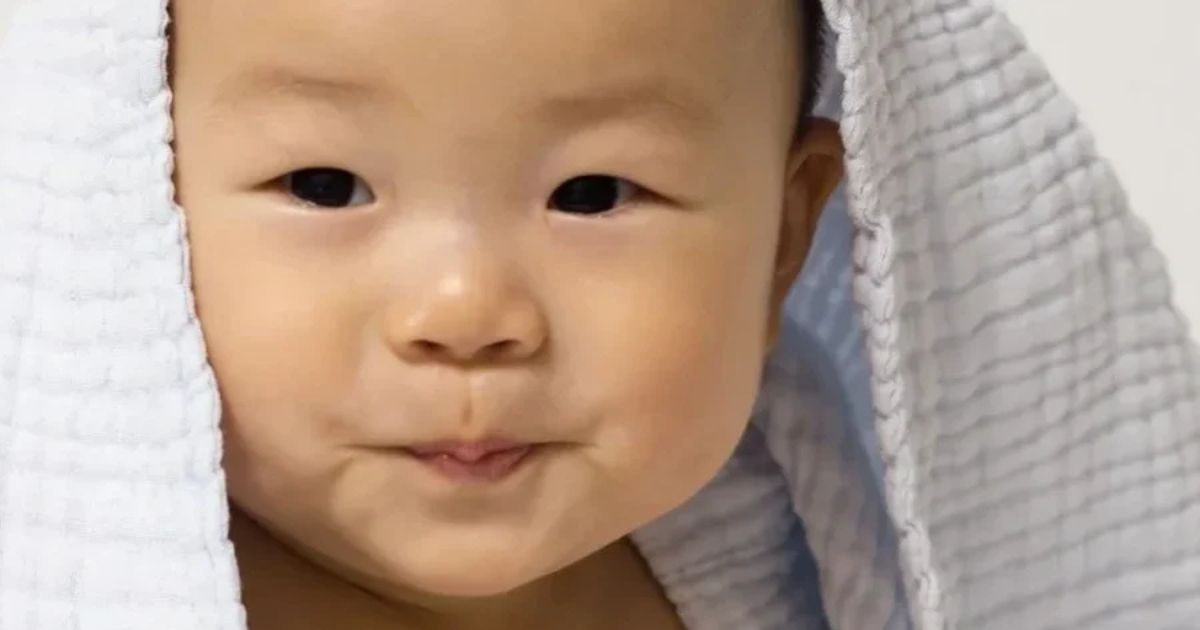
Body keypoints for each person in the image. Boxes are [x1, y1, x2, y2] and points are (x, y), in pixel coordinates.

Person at [1, 0, 1197, 629]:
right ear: (129, 201)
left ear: (782, 240)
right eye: (325, 185)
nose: (466, 312)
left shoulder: (798, 572)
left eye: (593, 194)